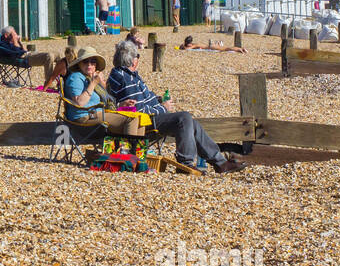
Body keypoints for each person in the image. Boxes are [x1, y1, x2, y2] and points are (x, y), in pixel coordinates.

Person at [101, 42, 245, 173]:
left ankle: (219, 163)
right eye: (138, 56)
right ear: (134, 60)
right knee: (184, 118)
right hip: (142, 124)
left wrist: (157, 100)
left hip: (146, 118)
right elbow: (139, 112)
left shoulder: (124, 74)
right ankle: (186, 163)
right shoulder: (126, 80)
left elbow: (142, 101)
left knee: (191, 122)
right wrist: (163, 108)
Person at [179, 35, 246, 54]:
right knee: (226, 48)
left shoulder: (194, 45)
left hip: (211, 47)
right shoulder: (194, 44)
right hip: (210, 46)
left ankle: (240, 49)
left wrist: (183, 47)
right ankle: (240, 49)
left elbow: (187, 49)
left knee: (226, 48)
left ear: (189, 44)